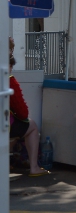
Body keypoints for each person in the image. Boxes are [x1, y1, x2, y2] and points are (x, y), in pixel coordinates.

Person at [9, 38, 49, 177]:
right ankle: (34, 167)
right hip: (5, 125)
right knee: (31, 126)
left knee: (14, 135)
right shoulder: (10, 81)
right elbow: (22, 112)